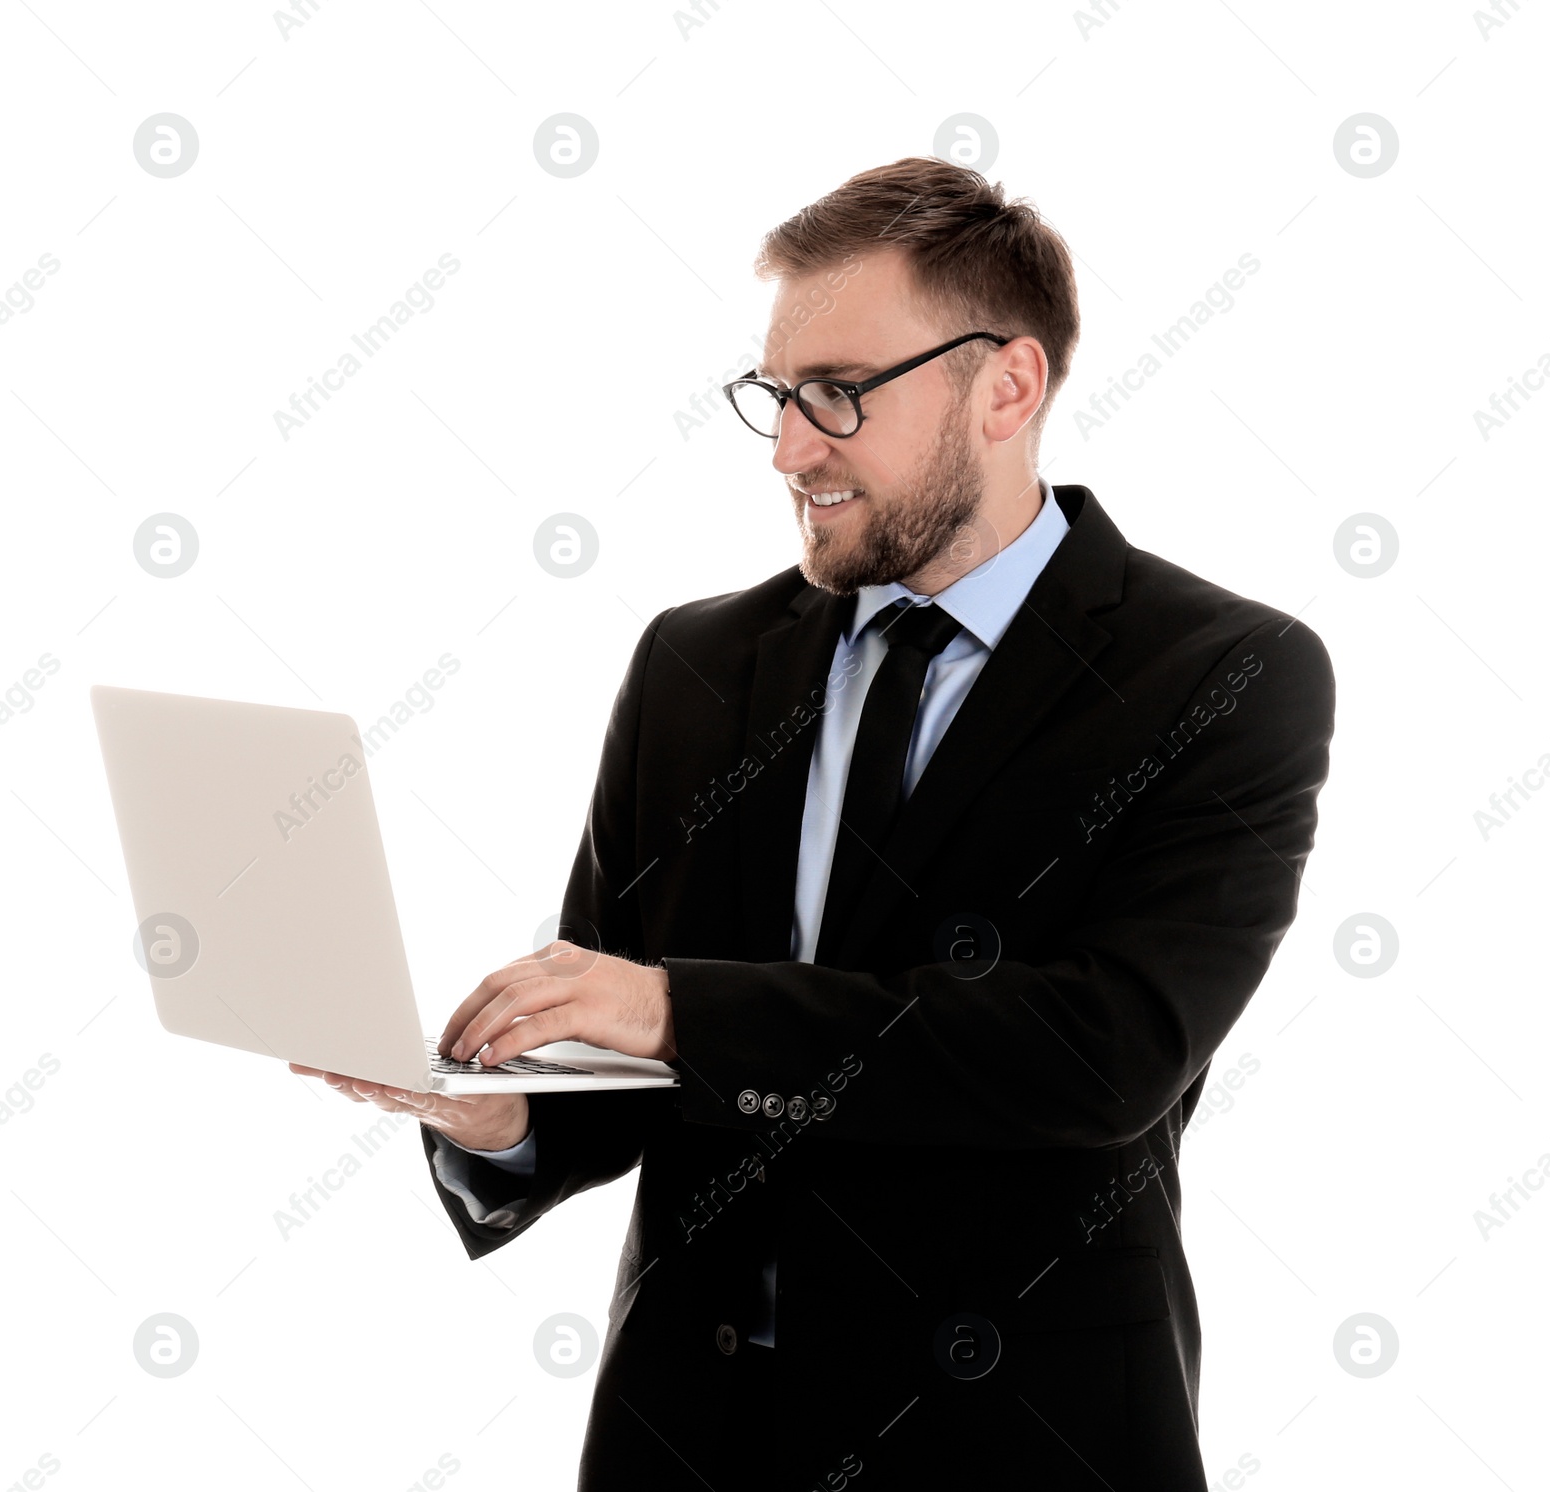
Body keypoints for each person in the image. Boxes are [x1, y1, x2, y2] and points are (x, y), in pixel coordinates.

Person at [294, 155, 1335, 1490]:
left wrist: (673, 1008)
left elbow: (1100, 1055)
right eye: (778, 397)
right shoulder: (694, 663)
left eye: (838, 394)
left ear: (1008, 386)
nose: (791, 448)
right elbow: (626, 1053)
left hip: (1017, 1445)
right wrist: (504, 1118)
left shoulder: (1218, 673)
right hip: (691, 1444)